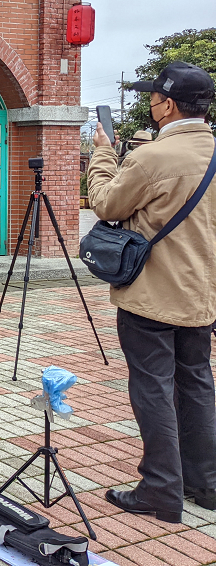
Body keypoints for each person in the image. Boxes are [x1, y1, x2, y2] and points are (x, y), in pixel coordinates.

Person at [87, 61, 216, 523]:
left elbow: (106, 204)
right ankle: (206, 484)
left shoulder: (153, 157)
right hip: (202, 295)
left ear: (165, 104)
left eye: (153, 97)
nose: (150, 103)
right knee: (198, 384)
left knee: (154, 387)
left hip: (152, 294)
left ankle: (161, 490)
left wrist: (103, 154)